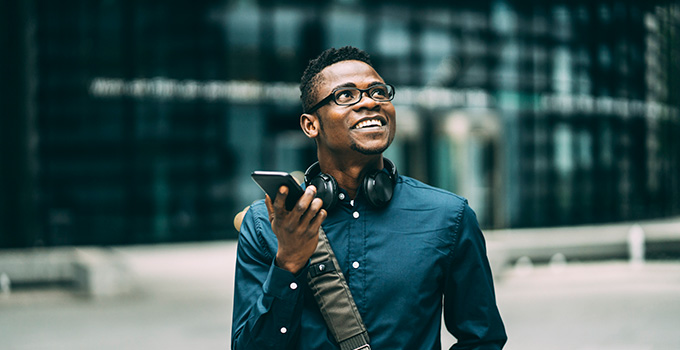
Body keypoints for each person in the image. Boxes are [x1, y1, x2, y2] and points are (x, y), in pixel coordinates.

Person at [231, 46, 507, 349]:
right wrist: (289, 261)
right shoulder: (264, 224)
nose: (369, 103)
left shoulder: (449, 216)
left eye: (378, 92)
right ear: (311, 125)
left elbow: (483, 339)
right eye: (346, 96)